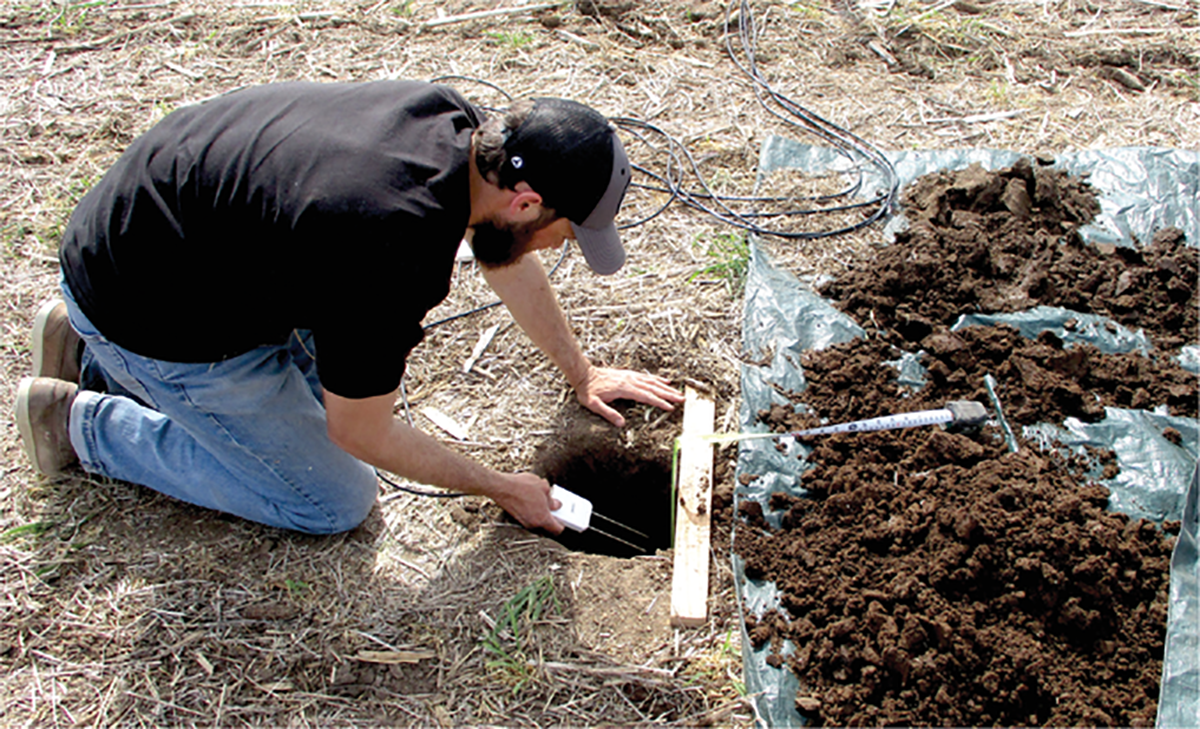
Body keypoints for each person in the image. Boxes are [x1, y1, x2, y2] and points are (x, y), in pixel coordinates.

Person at [14, 80, 684, 536]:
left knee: (323, 379)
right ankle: (80, 421)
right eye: (566, 232)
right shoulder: (389, 247)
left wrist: (581, 370)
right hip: (146, 301)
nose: (561, 244)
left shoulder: (450, 124)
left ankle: (88, 349)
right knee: (331, 498)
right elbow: (360, 431)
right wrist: (498, 485)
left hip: (151, 239)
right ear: (527, 202)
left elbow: (504, 256)